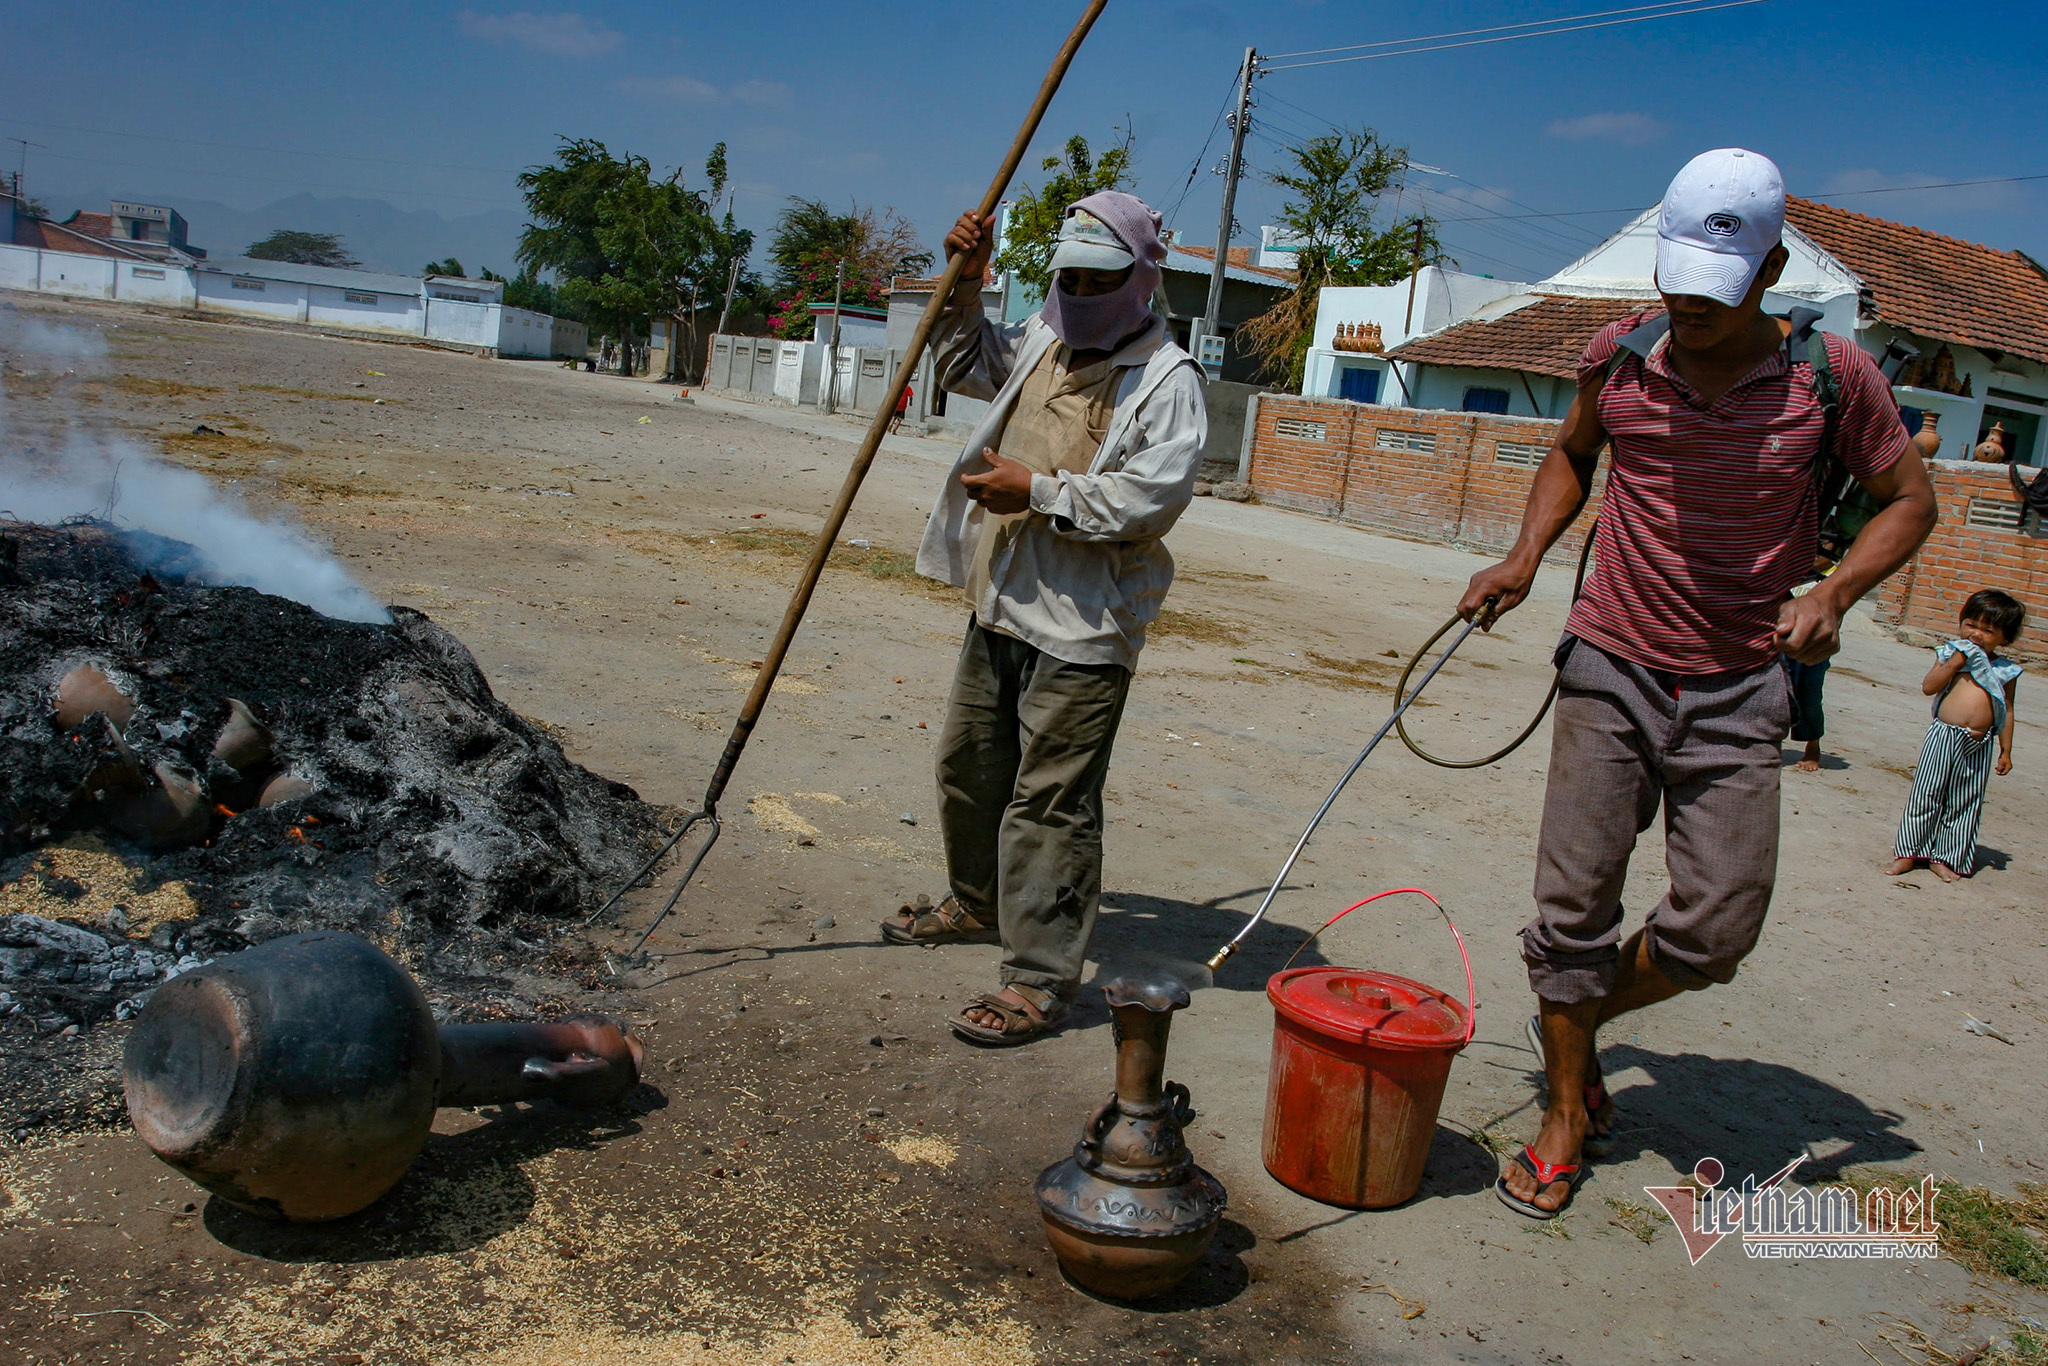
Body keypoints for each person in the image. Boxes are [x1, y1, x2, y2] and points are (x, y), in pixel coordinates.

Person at [1456, 148, 1938, 1218]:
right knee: (1571, 906)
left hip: (1739, 684)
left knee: (1717, 925)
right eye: (1675, 282)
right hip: (1607, 664)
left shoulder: (1832, 377)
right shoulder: (1617, 355)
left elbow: (1908, 500)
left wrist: (1836, 590)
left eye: (1714, 291)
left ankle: (1568, 1033)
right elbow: (1571, 455)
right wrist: (1523, 556)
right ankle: (1564, 1109)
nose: (1689, 308)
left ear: (1768, 272)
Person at [878, 192, 1206, 1045]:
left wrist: (1041, 492)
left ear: (1139, 279)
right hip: (1002, 600)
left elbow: (1149, 500)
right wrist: (967, 282)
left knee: (1051, 805)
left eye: (1099, 280)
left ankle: (1038, 977)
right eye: (1069, 276)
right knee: (968, 768)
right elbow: (960, 367)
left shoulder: (1167, 383)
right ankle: (980, 904)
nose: (1081, 293)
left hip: (1086, 626)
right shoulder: (1043, 342)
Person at [1886, 589, 2024, 882]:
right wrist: (1953, 665)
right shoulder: (1951, 654)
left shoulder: (2005, 671)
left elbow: (2007, 710)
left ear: (2005, 638)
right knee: (1927, 793)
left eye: (1988, 630)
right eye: (1971, 624)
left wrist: (2006, 749)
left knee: (1965, 800)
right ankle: (1909, 852)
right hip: (1944, 735)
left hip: (1979, 742)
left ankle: (1945, 857)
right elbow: (1929, 687)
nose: (1976, 634)